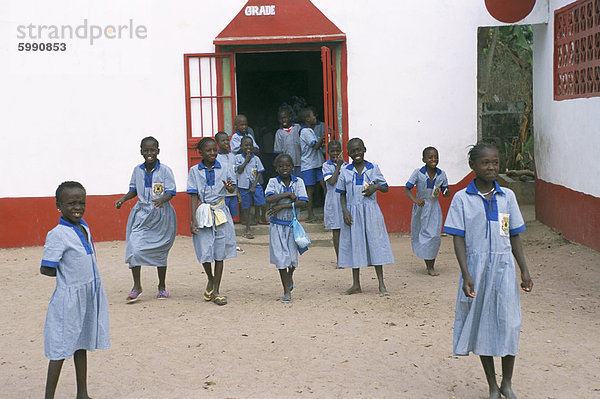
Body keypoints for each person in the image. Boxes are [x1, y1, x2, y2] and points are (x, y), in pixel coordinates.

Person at [443, 142, 533, 399]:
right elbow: (458, 238)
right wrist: (466, 273)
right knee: (483, 325)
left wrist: (524, 270)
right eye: (485, 162)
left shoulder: (508, 197)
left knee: (509, 324)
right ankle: (492, 385)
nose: (491, 167)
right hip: (477, 269)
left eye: (495, 161)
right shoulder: (462, 198)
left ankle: (507, 383)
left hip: (504, 268)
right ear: (473, 166)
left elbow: (514, 235)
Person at [41, 181, 110, 399]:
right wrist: (69, 279)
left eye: (82, 203)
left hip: (88, 295)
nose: (77, 207)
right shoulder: (57, 234)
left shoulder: (84, 227)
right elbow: (47, 268)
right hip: (68, 299)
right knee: (60, 348)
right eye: (71, 203)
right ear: (58, 205)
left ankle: (83, 393)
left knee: (81, 343)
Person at [115, 136, 177, 302]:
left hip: (161, 215)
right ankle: (137, 286)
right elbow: (134, 190)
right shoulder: (137, 170)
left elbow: (171, 192)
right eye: (146, 150)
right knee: (133, 248)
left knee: (160, 250)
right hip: (142, 215)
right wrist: (123, 199)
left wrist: (163, 199)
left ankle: (162, 287)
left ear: (158, 151)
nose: (149, 153)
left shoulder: (165, 170)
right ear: (141, 152)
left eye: (152, 150)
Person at [335, 138, 394, 295]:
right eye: (353, 151)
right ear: (349, 153)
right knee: (356, 245)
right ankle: (356, 284)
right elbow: (341, 194)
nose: (356, 153)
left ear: (364, 149)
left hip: (371, 211)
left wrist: (376, 187)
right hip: (353, 213)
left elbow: (386, 188)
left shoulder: (373, 168)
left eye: (359, 150)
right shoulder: (345, 171)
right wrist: (345, 212)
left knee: (375, 244)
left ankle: (381, 284)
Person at [187, 137, 237, 306]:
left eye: (214, 150)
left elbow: (232, 186)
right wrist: (193, 219)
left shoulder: (224, 167)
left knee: (219, 253)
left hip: (221, 212)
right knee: (205, 251)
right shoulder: (194, 171)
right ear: (200, 153)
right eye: (208, 151)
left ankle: (216, 290)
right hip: (204, 213)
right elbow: (194, 195)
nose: (212, 153)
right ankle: (210, 278)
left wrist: (230, 187)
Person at [265, 154, 309, 303]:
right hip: (277, 226)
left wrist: (283, 205)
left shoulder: (299, 182)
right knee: (281, 258)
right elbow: (268, 198)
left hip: (292, 226)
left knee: (292, 258)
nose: (285, 168)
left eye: (288, 166)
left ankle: (290, 276)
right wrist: (288, 194)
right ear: (276, 168)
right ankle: (286, 290)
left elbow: (303, 202)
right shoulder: (272, 182)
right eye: (281, 166)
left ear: (292, 167)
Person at [404, 146, 450, 276]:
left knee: (434, 236)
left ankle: (431, 265)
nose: (433, 159)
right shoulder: (418, 173)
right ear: (424, 159)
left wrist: (446, 193)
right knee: (423, 235)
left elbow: (444, 190)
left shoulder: (442, 174)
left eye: (436, 157)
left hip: (434, 208)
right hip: (421, 208)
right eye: (430, 157)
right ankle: (428, 264)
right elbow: (407, 189)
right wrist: (415, 200)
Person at [216, 131, 245, 254]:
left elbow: (235, 175)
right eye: (223, 141)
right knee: (222, 219)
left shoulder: (233, 156)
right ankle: (221, 244)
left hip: (232, 192)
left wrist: (237, 193)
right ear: (217, 143)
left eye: (227, 140)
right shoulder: (216, 158)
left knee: (231, 219)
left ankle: (231, 244)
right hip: (222, 193)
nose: (226, 143)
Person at [236, 136, 268, 239]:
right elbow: (239, 171)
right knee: (246, 207)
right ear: (241, 146)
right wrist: (246, 161)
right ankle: (248, 228)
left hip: (255, 185)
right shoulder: (238, 158)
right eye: (246, 145)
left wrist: (254, 185)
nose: (248, 147)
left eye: (250, 145)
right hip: (243, 186)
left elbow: (259, 172)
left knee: (262, 202)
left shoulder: (256, 158)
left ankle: (261, 217)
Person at [298, 107, 325, 222]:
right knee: (310, 190)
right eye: (314, 115)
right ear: (308, 119)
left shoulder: (310, 130)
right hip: (308, 165)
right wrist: (324, 136)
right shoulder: (305, 132)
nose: (316, 117)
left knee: (325, 186)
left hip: (317, 164)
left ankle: (328, 211)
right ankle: (310, 214)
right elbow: (315, 146)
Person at [321, 140, 346, 263]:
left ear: (341, 151)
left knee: (347, 229)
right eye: (332, 151)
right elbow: (331, 181)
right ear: (328, 152)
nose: (335, 153)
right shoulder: (326, 165)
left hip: (345, 201)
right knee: (336, 230)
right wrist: (338, 167)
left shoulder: (347, 165)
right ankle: (339, 259)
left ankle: (349, 258)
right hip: (333, 201)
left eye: (337, 150)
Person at [273, 103, 302, 178]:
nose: (283, 120)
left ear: (290, 117)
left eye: (285, 117)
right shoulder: (279, 133)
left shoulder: (298, 127)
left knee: (300, 181)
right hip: (287, 165)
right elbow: (278, 151)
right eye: (281, 118)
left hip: (300, 162)